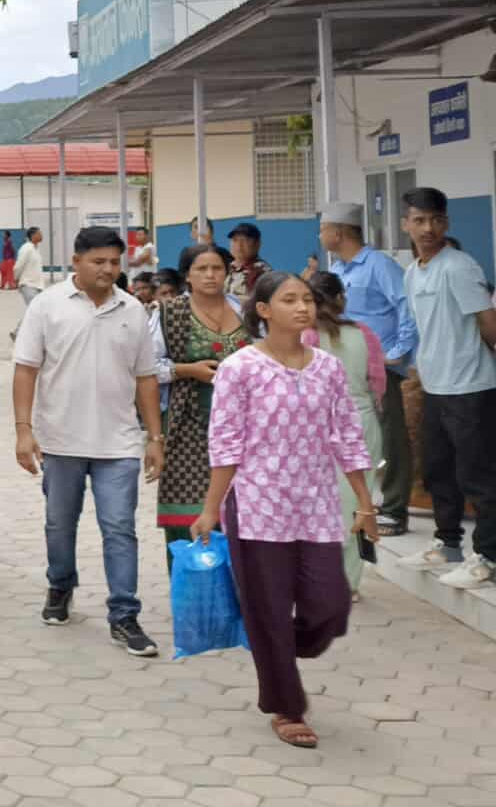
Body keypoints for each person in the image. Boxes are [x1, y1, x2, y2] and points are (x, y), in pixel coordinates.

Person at [194, 271, 377, 749]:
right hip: (257, 508)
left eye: (308, 300)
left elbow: (347, 437)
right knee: (269, 608)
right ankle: (286, 706)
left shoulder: (329, 368)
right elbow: (226, 445)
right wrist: (211, 510)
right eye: (289, 300)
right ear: (263, 311)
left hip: (316, 506)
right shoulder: (240, 368)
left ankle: (276, 645)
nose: (303, 308)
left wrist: (365, 501)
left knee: (330, 607)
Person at [12, 226, 165, 657]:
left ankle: (124, 615)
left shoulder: (133, 310)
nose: (108, 270)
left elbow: (146, 378)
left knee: (119, 529)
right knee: (60, 525)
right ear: (76, 261)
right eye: (99, 262)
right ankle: (60, 586)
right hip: (60, 441)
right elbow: (26, 369)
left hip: (118, 445)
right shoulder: (47, 306)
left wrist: (154, 437)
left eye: (115, 263)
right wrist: (24, 430)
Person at [399, 188, 496, 587]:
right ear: (406, 224)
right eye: (419, 220)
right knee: (438, 471)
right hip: (436, 386)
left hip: (471, 387)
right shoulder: (413, 271)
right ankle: (448, 543)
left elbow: (487, 322)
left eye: (436, 220)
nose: (428, 228)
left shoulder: (459, 266)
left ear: (447, 224)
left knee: (479, 476)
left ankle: (488, 557)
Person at [319, 200, 417, 537]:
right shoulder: (339, 271)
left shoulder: (378, 265)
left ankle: (393, 509)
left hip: (382, 364)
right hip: (348, 364)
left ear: (338, 232)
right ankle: (366, 501)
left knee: (390, 434)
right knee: (355, 434)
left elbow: (407, 305)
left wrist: (398, 351)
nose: (321, 235)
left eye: (323, 229)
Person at [151, 243, 248, 542]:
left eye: (217, 268)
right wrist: (186, 370)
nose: (210, 275)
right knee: (188, 508)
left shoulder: (245, 311)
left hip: (244, 424)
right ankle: (192, 584)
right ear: (187, 276)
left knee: (242, 505)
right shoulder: (169, 314)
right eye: (201, 269)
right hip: (188, 425)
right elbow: (145, 368)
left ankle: (242, 584)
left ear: (227, 272)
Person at [304, 271, 387, 594]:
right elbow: (377, 385)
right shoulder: (364, 334)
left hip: (319, 428)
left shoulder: (304, 338)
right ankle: (347, 583)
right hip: (363, 425)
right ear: (342, 299)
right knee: (358, 505)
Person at [227, 222, 267, 298]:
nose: (239, 245)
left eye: (245, 240)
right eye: (235, 240)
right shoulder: (227, 268)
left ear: (258, 244)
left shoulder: (261, 272)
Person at [14, 226, 45, 303]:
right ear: (33, 235)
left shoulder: (36, 249)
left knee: (39, 311)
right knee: (35, 311)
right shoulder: (26, 248)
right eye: (39, 233)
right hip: (28, 285)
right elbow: (18, 266)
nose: (42, 235)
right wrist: (16, 279)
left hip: (38, 286)